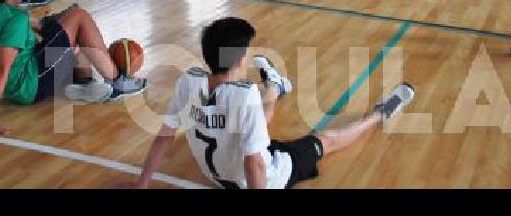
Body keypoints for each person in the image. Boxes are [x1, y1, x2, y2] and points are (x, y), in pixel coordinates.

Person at [120, 17, 415, 189]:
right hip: (265, 179)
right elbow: (254, 164)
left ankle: (275, 83)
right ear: (239, 60)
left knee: (253, 120)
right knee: (324, 142)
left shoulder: (188, 80)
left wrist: (141, 185)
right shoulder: (244, 93)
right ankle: (379, 115)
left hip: (215, 175)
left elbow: (163, 138)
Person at [0, 0, 148, 145]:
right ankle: (117, 81)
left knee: (69, 24)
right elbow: (1, 69)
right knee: (79, 15)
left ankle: (82, 83)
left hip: (17, 83)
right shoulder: (16, 19)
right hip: (30, 87)